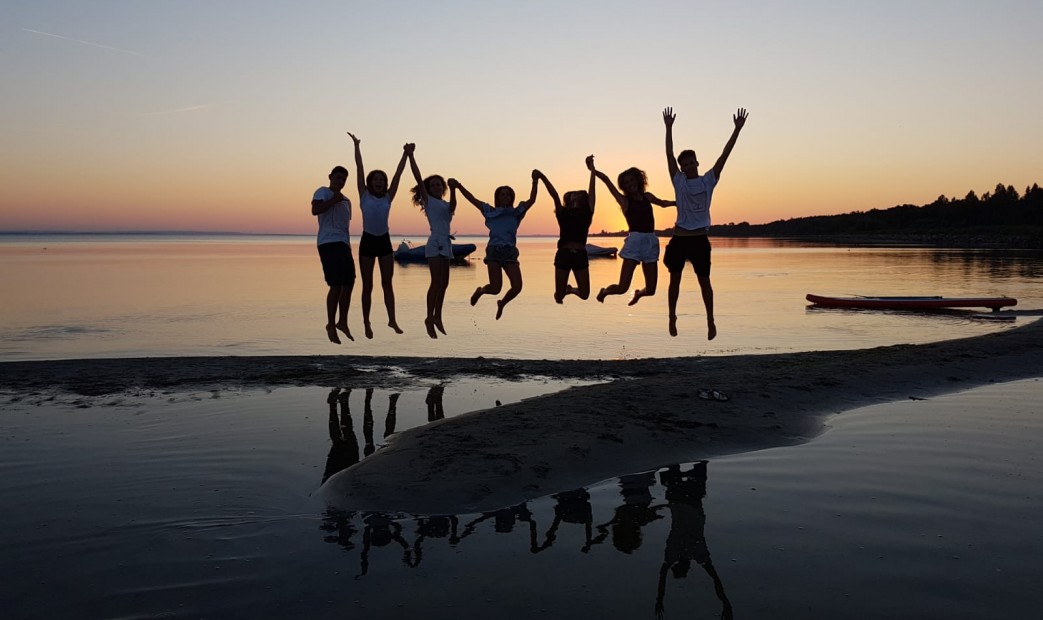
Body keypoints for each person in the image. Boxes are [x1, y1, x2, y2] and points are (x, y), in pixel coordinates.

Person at [662, 106, 748, 340]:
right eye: (685, 164)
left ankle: (710, 320)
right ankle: (672, 317)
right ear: (681, 168)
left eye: (692, 162)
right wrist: (668, 128)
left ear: (697, 163)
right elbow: (669, 155)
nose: (689, 166)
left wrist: (737, 130)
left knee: (704, 282)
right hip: (680, 239)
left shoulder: (708, 180)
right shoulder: (678, 181)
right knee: (675, 281)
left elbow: (724, 156)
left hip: (699, 239)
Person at [450, 171, 540, 320]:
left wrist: (535, 181)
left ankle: (502, 303)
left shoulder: (516, 212)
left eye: (508, 194)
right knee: (495, 288)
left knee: (517, 287)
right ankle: (480, 291)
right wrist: (459, 186)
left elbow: (532, 200)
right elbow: (472, 199)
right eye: (502, 194)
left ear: (512, 197)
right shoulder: (490, 211)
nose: (505, 197)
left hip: (510, 252)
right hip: (494, 252)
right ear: (497, 198)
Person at [346, 133, 410, 338]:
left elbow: (399, 174)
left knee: (387, 283)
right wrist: (357, 146)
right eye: (376, 179)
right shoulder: (363, 195)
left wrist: (405, 155)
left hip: (383, 241)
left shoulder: (388, 197)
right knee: (367, 286)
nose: (379, 182)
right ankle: (366, 322)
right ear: (370, 182)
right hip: (367, 241)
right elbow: (359, 168)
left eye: (382, 180)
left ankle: (392, 319)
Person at [590, 160, 675, 305]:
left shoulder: (648, 197)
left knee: (651, 290)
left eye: (631, 180)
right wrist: (593, 169)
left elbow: (662, 203)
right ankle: (604, 291)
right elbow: (607, 181)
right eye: (626, 183)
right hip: (634, 243)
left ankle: (638, 294)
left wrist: (678, 202)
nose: (630, 184)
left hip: (650, 242)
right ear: (624, 187)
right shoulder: (624, 201)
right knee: (622, 288)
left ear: (638, 180)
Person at [408, 147, 457, 338]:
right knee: (435, 282)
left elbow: (452, 206)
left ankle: (438, 316)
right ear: (428, 189)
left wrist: (454, 189)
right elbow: (418, 177)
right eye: (433, 185)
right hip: (435, 242)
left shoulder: (445, 204)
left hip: (446, 242)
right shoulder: (428, 201)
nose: (437, 187)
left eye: (439, 185)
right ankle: (429, 317)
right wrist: (411, 155)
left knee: (444, 283)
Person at [539, 158, 596, 303]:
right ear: (569, 200)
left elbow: (592, 190)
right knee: (559, 296)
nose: (575, 197)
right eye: (572, 196)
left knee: (584, 294)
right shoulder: (562, 213)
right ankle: (564, 292)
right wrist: (542, 177)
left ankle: (571, 289)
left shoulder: (587, 213)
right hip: (563, 254)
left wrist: (592, 170)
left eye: (578, 196)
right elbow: (554, 195)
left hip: (580, 255)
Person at [311, 165, 356, 343]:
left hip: (343, 244)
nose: (340, 181)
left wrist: (348, 246)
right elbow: (315, 210)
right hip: (328, 243)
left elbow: (344, 225)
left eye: (343, 179)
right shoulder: (323, 192)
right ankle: (330, 324)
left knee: (350, 282)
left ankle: (342, 322)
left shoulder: (347, 201)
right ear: (330, 177)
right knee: (336, 285)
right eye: (337, 178)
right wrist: (333, 200)